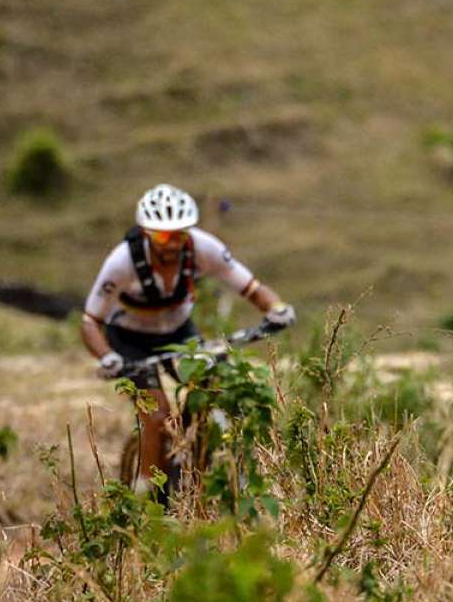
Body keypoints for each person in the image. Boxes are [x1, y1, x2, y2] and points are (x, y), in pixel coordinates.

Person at [79, 183, 296, 495]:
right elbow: (90, 322)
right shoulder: (122, 262)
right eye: (162, 236)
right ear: (145, 233)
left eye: (179, 235)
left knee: (214, 387)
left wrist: (276, 308)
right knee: (157, 417)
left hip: (180, 334)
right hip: (129, 340)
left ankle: (195, 465)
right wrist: (106, 356)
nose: (171, 244)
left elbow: (250, 287)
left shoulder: (202, 248)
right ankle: (147, 499)